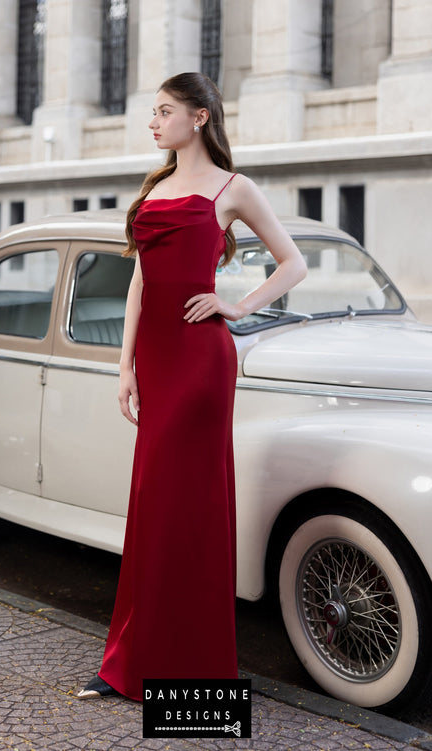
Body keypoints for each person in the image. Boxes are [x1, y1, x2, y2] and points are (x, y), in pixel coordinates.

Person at [77, 72, 307, 701]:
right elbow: (141, 284)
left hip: (202, 366)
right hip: (155, 361)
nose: (153, 123)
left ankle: (197, 684)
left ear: (200, 117)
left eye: (164, 111)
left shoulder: (235, 188)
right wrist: (124, 367)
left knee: (191, 510)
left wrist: (238, 305)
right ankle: (131, 662)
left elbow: (295, 262)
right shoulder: (154, 189)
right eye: (152, 113)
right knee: (153, 505)